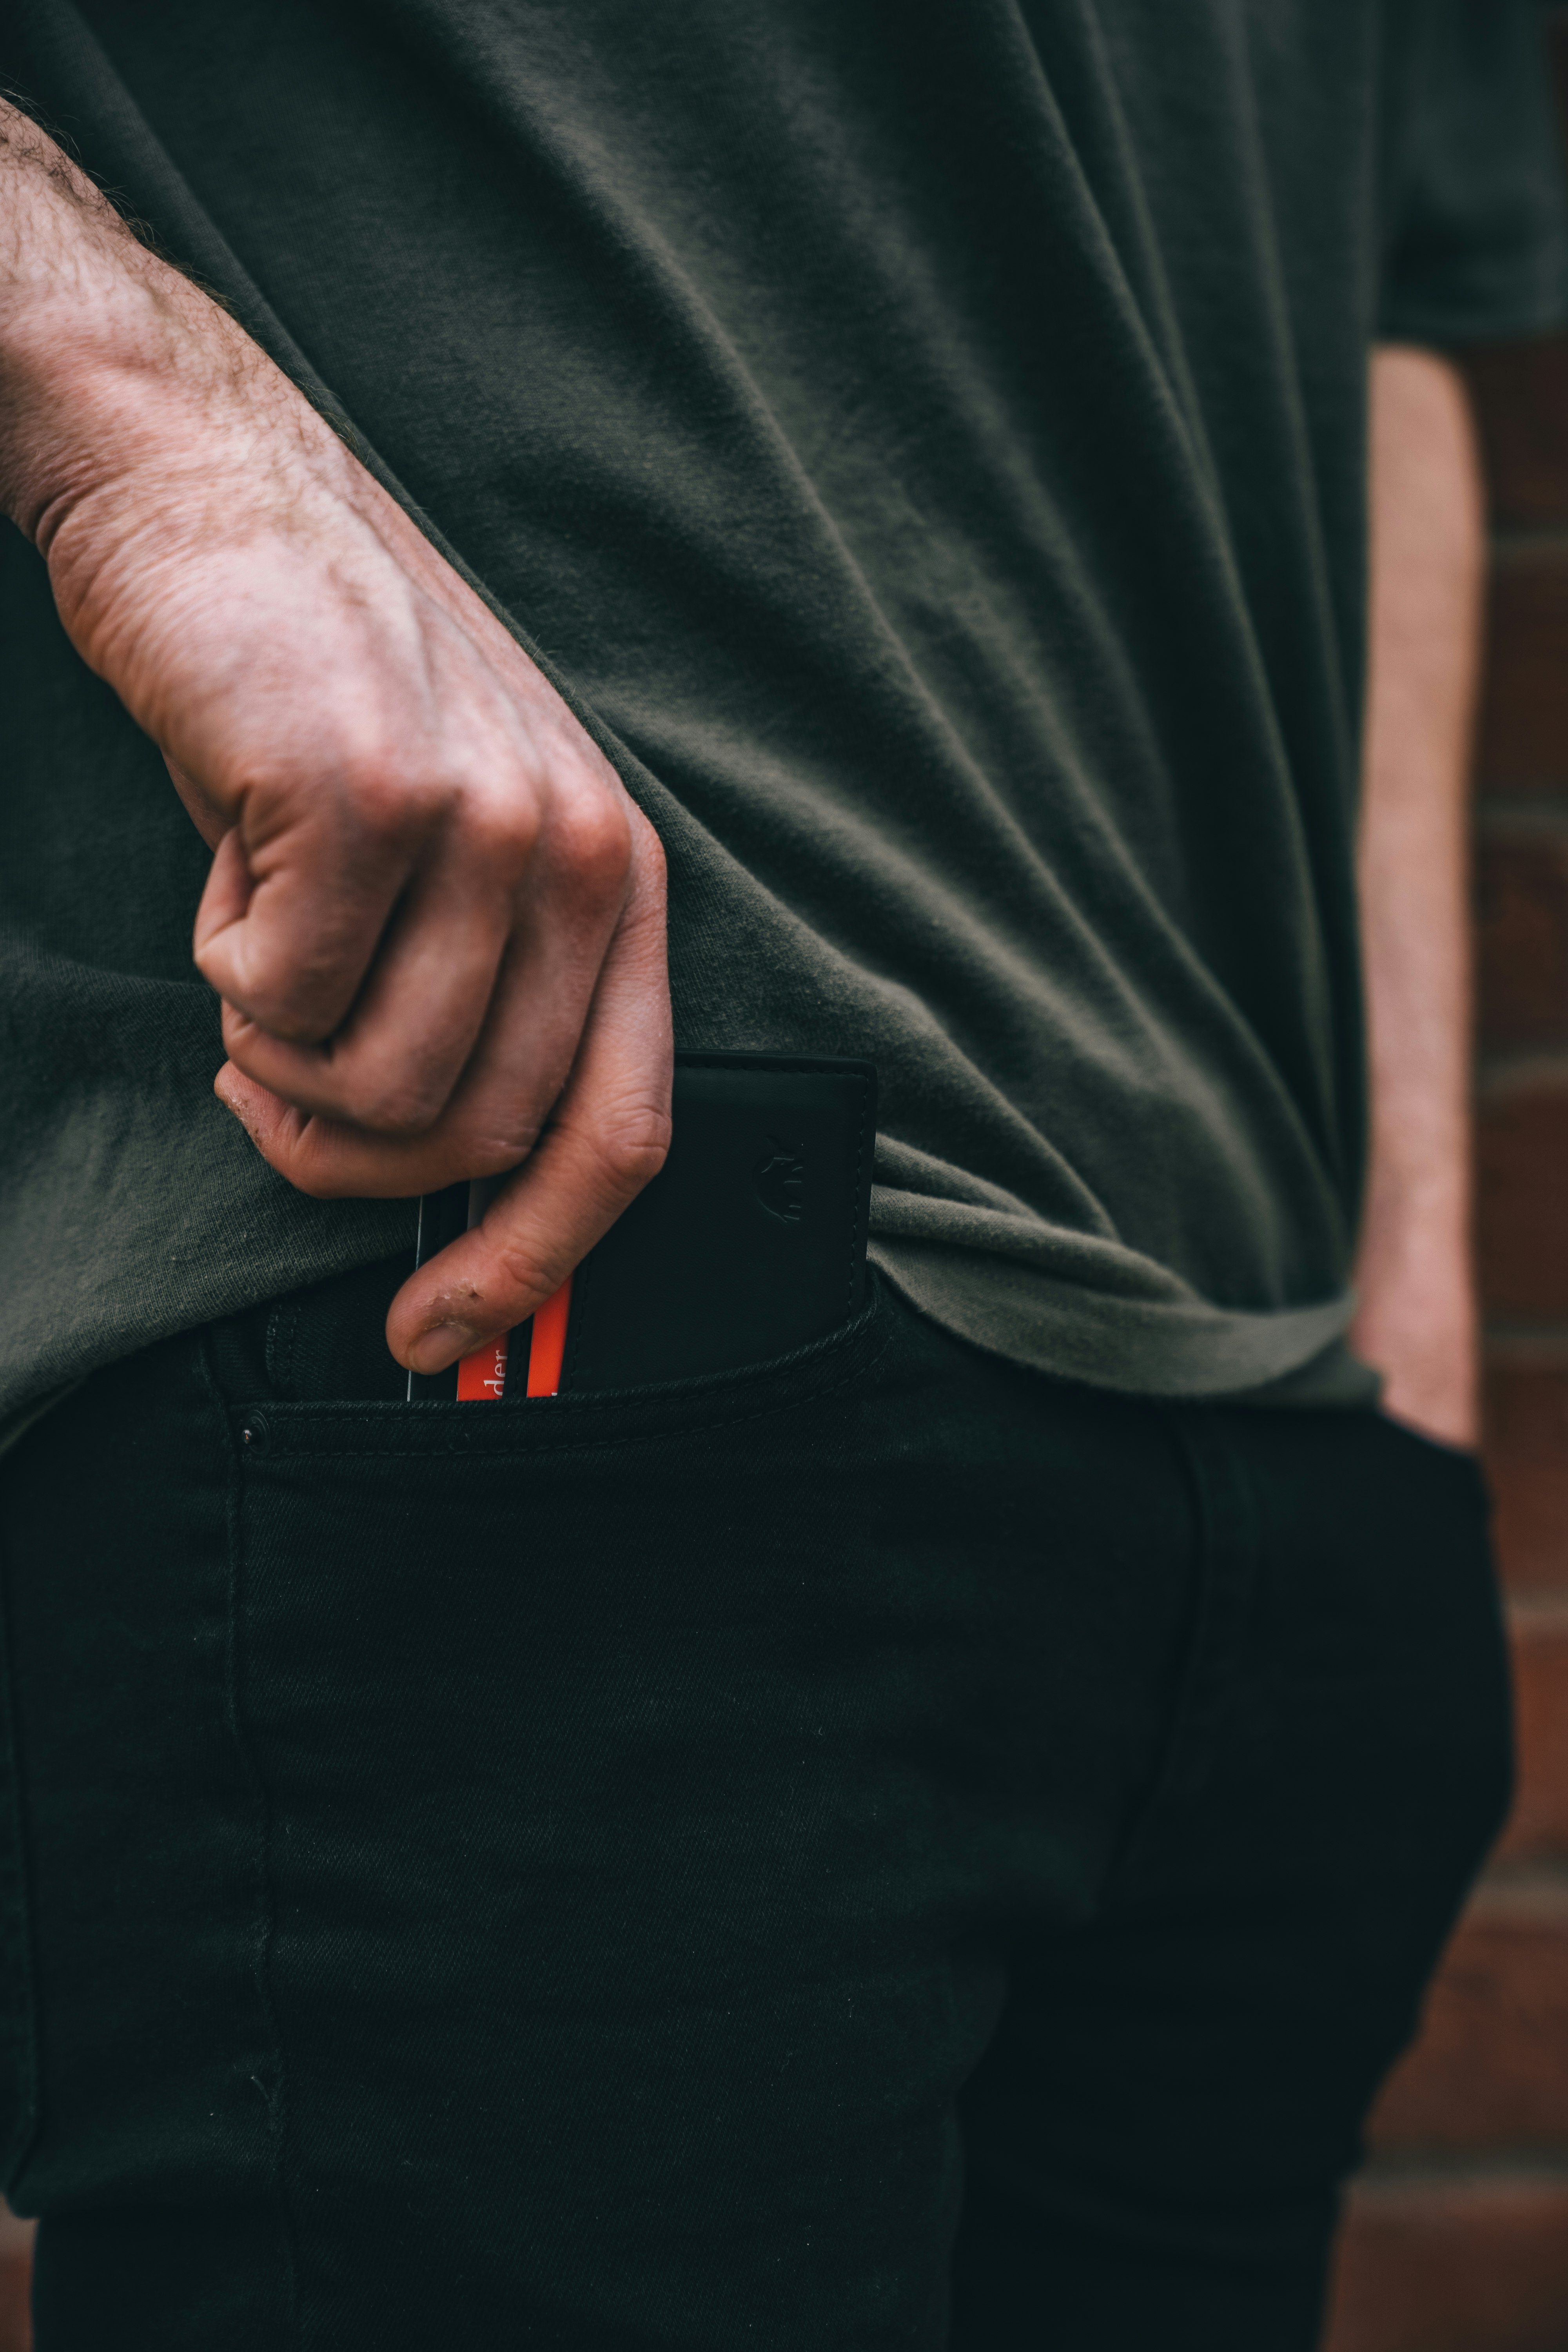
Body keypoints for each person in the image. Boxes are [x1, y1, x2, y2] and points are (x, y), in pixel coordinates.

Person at [0, 3, 1562, 2344]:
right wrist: (140, 431)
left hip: (1264, 1459)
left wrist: (1405, 1297)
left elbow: (1404, 322)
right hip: (527, 1297)